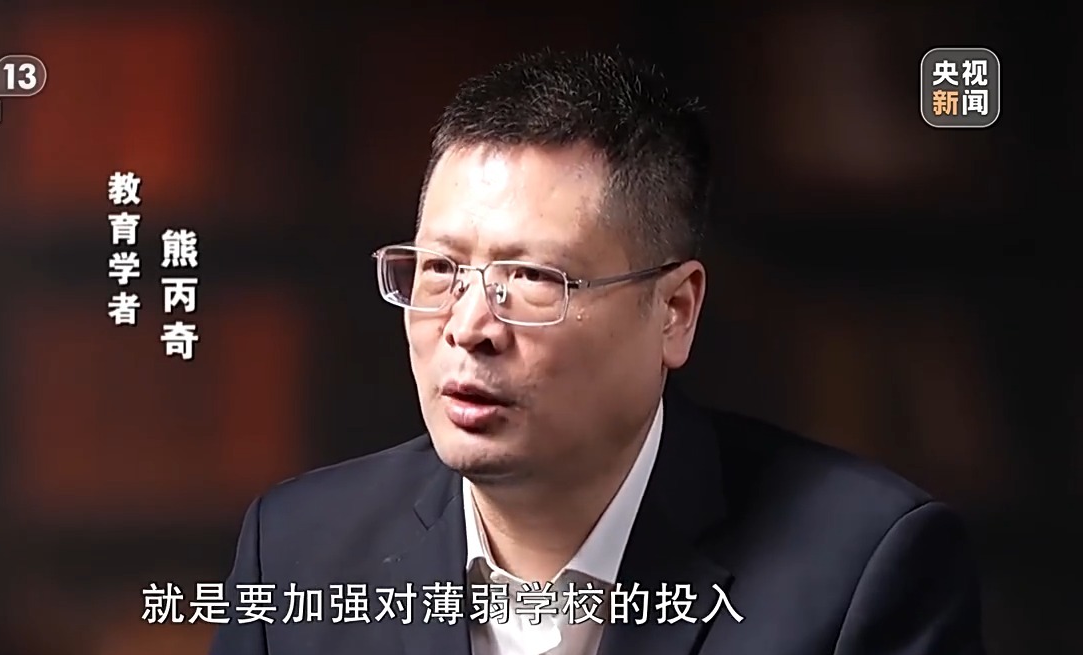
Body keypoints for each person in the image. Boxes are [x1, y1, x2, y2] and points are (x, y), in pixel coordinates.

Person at [208, 49, 986, 655]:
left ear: (674, 311)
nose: (469, 325)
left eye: (531, 278)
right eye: (441, 269)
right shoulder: (297, 549)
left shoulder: (864, 569)